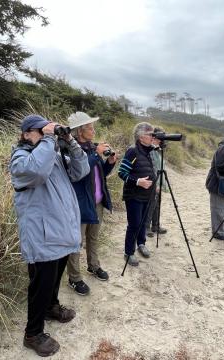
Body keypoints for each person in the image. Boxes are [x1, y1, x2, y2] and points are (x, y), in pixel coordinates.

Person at [9, 114, 89, 357]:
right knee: (41, 285)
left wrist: (70, 143)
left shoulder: (53, 155)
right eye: (39, 130)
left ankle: (51, 307)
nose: (45, 134)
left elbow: (81, 171)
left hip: (61, 230)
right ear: (25, 134)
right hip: (42, 234)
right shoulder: (20, 157)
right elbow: (35, 172)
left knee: (54, 278)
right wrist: (49, 137)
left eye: (47, 130)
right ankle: (32, 333)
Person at [66, 112, 118, 296]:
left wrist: (109, 163)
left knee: (93, 237)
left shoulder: (91, 148)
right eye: (90, 127)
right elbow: (79, 172)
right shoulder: (71, 150)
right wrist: (96, 154)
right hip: (80, 204)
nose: (93, 130)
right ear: (80, 131)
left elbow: (98, 173)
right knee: (76, 242)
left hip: (96, 201)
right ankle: (74, 278)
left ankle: (93, 266)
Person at [118, 122, 156, 266]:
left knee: (144, 222)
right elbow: (121, 173)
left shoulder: (149, 151)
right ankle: (128, 252)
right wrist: (137, 181)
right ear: (141, 137)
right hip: (134, 195)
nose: (152, 137)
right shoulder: (132, 151)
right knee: (134, 224)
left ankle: (141, 244)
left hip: (148, 195)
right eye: (150, 134)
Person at [146, 126, 168, 238]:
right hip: (153, 181)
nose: (161, 140)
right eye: (159, 137)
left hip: (158, 180)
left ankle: (156, 225)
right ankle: (146, 227)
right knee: (151, 204)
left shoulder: (158, 149)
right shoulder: (150, 149)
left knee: (157, 204)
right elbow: (153, 167)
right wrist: (155, 183)